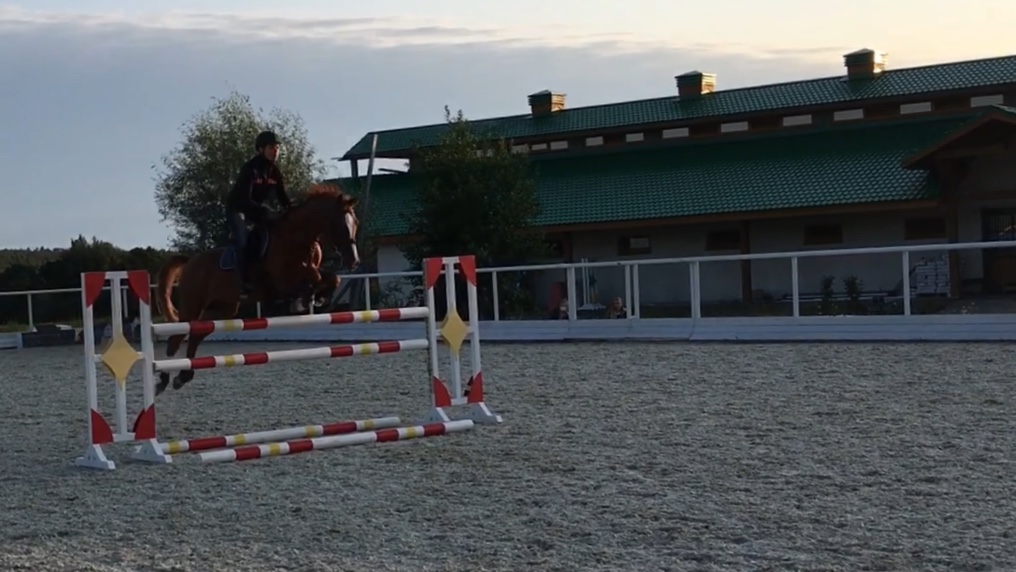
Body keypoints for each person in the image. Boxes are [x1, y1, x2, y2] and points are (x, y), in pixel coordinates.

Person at [226, 130, 292, 293]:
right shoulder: (250, 169)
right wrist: (264, 211)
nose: (275, 151)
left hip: (255, 211)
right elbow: (244, 199)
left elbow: (283, 198)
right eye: (271, 148)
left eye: (277, 148)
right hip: (238, 209)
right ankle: (244, 281)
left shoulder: (275, 172)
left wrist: (293, 211)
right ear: (260, 150)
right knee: (243, 239)